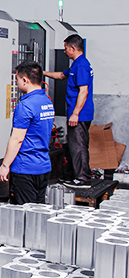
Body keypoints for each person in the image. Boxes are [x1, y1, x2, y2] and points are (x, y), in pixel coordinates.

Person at [0, 61, 55, 204]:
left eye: (17, 80)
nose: (16, 84)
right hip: (43, 167)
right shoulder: (46, 102)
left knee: (23, 213)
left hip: (25, 169)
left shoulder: (25, 105)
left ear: (25, 80)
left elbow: (17, 139)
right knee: (38, 211)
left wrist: (5, 166)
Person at [44, 34, 95, 187]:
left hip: (79, 114)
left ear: (73, 48)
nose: (65, 51)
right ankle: (71, 175)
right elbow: (61, 75)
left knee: (78, 146)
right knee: (73, 145)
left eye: (66, 48)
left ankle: (83, 179)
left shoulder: (82, 65)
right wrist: (41, 73)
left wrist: (75, 113)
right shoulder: (76, 64)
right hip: (77, 113)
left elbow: (83, 91)